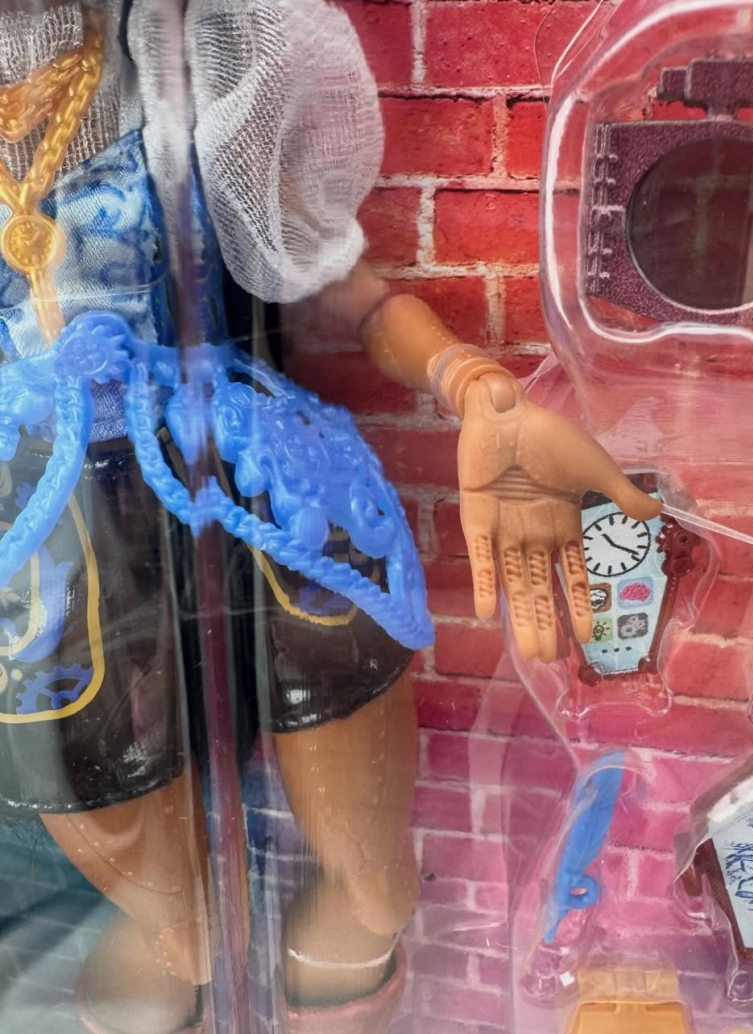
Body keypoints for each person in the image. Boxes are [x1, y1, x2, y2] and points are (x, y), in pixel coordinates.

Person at [0, 2, 659, 1032]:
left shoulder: (185, 46)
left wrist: (472, 381)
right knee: (169, 920)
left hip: (251, 476)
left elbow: (332, 286)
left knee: (367, 891)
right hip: (44, 529)